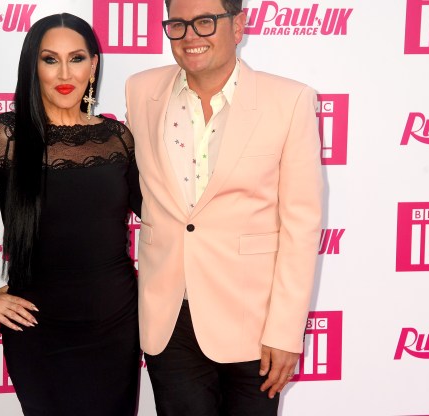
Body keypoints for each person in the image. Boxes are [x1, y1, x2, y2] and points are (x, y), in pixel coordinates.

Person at [124, 0, 323, 414]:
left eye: (205, 21)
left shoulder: (289, 101)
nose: (190, 35)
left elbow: (301, 225)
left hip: (254, 321)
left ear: (239, 26)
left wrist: (286, 332)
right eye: (177, 24)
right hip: (169, 317)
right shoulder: (141, 91)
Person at [0, 13, 142, 416]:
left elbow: (165, 216)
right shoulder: (4, 136)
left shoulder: (117, 138)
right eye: (50, 59)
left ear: (93, 65)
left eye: (76, 58)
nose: (64, 72)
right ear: (33, 66)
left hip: (115, 326)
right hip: (38, 330)